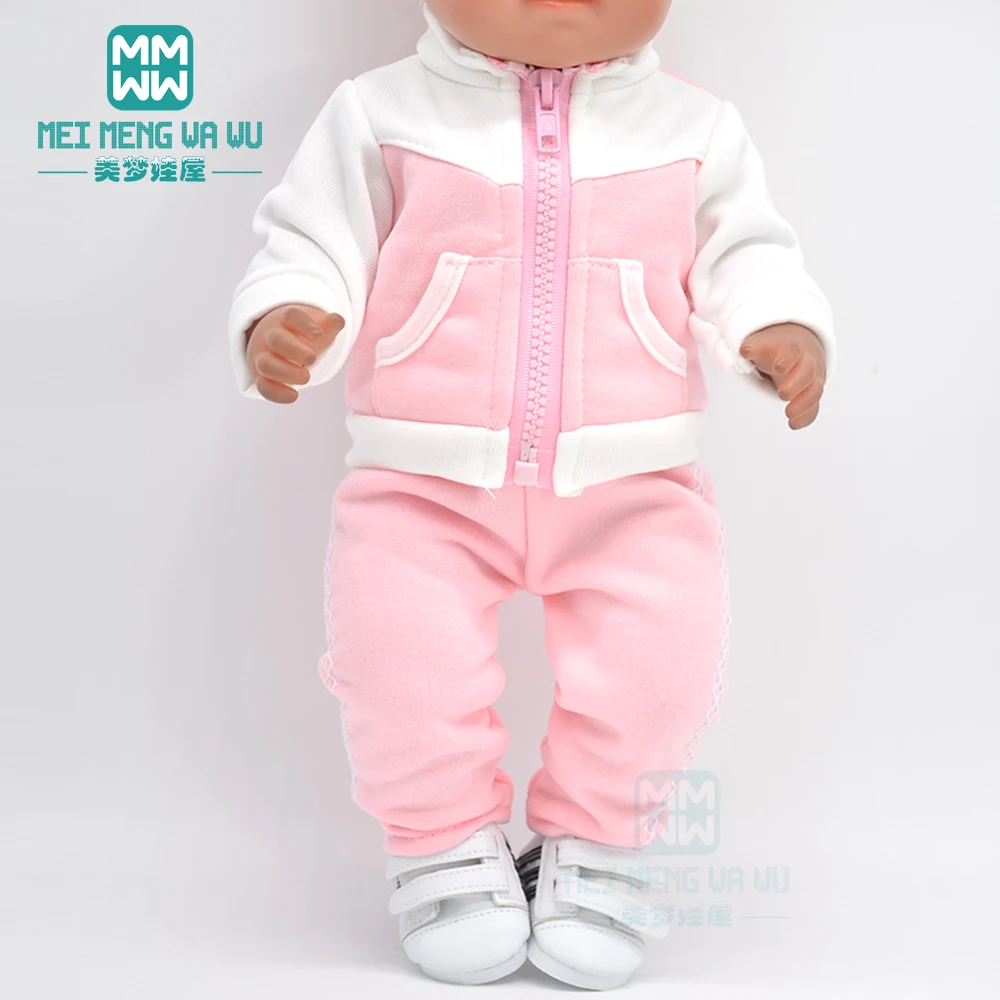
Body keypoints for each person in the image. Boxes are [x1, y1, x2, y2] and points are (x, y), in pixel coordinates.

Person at [228, 0, 834, 988]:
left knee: (661, 670)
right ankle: (439, 846)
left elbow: (748, 253)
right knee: (398, 667)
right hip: (420, 484)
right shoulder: (380, 114)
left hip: (635, 485)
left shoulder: (697, 131)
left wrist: (777, 324)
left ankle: (597, 845)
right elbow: (312, 237)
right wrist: (288, 309)